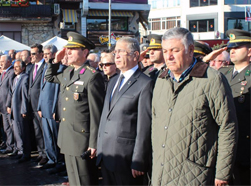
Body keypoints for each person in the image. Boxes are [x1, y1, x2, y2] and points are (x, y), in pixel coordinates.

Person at [151, 27, 238, 185]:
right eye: (165, 51)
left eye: (174, 50)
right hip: (162, 173)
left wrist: (222, 174)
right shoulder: (161, 80)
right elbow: (156, 124)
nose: (168, 56)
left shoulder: (211, 79)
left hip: (194, 175)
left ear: (190, 50)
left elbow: (228, 127)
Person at [45, 31, 105, 185]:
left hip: (81, 140)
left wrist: (94, 143)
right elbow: (49, 77)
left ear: (85, 52)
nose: (68, 51)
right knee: (73, 178)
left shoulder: (92, 76)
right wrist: (55, 61)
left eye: (73, 48)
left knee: (84, 180)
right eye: (67, 48)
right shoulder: (68, 72)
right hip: (67, 136)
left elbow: (96, 113)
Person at [97, 37, 153, 185]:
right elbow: (105, 116)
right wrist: (99, 147)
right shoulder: (113, 80)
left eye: (122, 52)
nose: (117, 56)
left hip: (126, 158)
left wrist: (139, 160)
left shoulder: (144, 84)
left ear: (135, 55)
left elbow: (144, 126)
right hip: (107, 155)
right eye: (116, 52)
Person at [219, 29, 251, 185]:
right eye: (231, 48)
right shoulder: (223, 73)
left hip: (245, 148)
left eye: (237, 47)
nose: (232, 51)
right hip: (224, 148)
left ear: (249, 51)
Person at [37, 44, 66, 169]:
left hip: (52, 109)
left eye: (47, 54)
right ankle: (51, 159)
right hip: (44, 107)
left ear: (54, 54)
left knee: (55, 137)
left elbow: (57, 92)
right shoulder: (46, 68)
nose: (45, 56)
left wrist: (55, 109)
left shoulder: (60, 68)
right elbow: (42, 89)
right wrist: (39, 106)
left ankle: (58, 161)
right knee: (47, 136)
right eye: (44, 53)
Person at [6, 60, 31, 163]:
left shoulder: (25, 78)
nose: (14, 69)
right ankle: (18, 150)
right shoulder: (15, 78)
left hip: (20, 109)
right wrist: (8, 105)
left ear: (23, 68)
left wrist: (24, 110)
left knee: (22, 131)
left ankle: (25, 152)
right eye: (14, 67)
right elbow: (11, 93)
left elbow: (25, 96)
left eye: (17, 67)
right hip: (13, 109)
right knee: (16, 131)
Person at [28, 43, 48, 165]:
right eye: (31, 54)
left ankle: (46, 154)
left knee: (44, 131)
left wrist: (41, 105)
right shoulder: (31, 68)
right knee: (37, 132)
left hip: (40, 106)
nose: (32, 56)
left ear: (41, 54)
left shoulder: (45, 67)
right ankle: (40, 152)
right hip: (32, 105)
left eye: (34, 54)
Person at [0, 55, 16, 154]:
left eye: (2, 61)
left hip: (8, 106)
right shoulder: (3, 73)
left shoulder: (11, 73)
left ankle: (14, 147)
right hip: (1, 104)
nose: (0, 63)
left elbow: (11, 91)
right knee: (6, 128)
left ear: (9, 62)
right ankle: (9, 146)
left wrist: (9, 105)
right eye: (0, 61)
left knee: (11, 128)